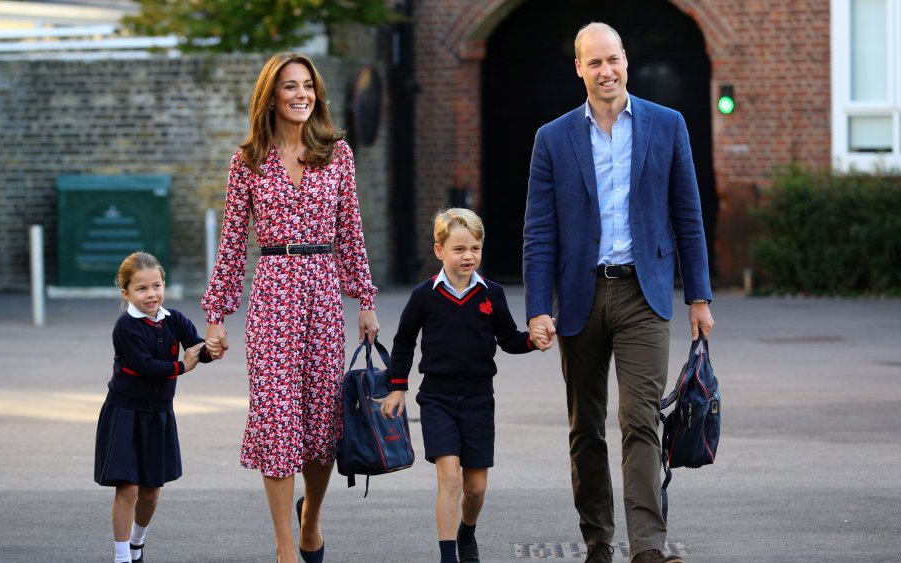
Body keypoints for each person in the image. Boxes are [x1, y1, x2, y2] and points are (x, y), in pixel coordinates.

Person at [522, 22, 715, 563]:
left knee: (641, 420)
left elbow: (688, 216)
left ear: (626, 60)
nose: (606, 71)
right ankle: (598, 540)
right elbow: (539, 232)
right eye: (594, 63)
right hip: (580, 297)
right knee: (585, 427)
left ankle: (649, 547)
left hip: (643, 295)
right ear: (579, 69)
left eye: (613, 60)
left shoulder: (667, 125)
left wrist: (698, 296)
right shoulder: (553, 138)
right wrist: (538, 308)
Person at [201, 52, 380, 563]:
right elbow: (233, 244)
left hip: (323, 292)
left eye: (308, 86)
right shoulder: (248, 161)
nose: (301, 94)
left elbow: (352, 233)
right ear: (271, 97)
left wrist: (364, 300)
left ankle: (311, 522)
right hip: (274, 292)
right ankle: (284, 549)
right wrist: (217, 313)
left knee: (323, 424)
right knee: (278, 421)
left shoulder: (337, 154)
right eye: (289, 87)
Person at [382, 208, 542, 563]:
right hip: (436, 398)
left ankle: (466, 530)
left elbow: (510, 339)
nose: (468, 256)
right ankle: (448, 556)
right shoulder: (425, 295)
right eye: (459, 249)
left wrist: (533, 340)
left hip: (479, 399)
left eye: (475, 248)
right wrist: (397, 387)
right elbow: (404, 340)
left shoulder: (492, 294)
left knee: (475, 488)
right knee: (450, 478)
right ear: (439, 250)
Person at [94, 251, 213, 563]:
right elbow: (144, 366)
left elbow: (197, 346)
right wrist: (181, 367)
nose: (151, 294)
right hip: (125, 412)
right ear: (126, 293)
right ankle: (121, 557)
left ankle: (136, 543)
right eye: (142, 289)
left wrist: (213, 347)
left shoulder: (174, 320)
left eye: (157, 286)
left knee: (150, 491)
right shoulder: (126, 327)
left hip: (158, 415)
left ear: (164, 285)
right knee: (128, 488)